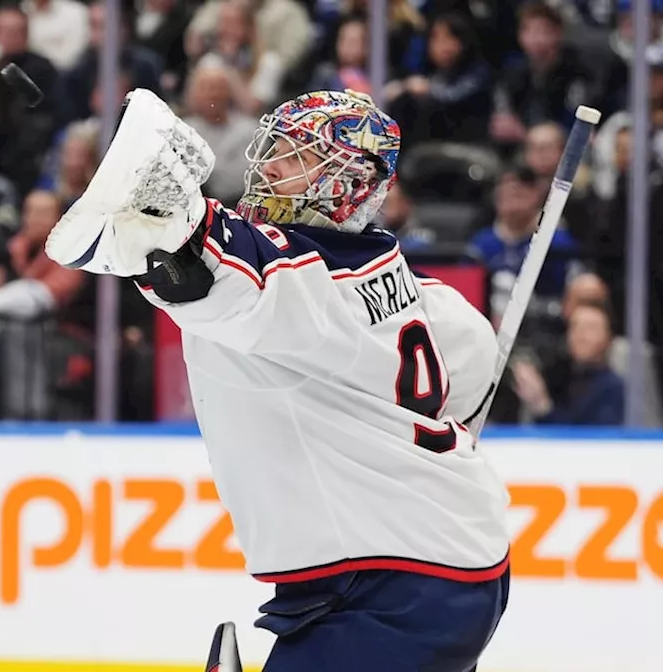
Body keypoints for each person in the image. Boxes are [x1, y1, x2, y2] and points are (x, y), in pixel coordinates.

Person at [46, 89, 509, 671]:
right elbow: (469, 373)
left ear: (348, 183)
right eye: (275, 146)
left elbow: (197, 259)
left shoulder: (298, 283)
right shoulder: (426, 297)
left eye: (296, 155)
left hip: (395, 583)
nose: (268, 165)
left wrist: (154, 192)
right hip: (429, 569)